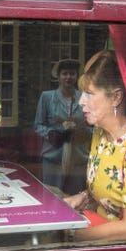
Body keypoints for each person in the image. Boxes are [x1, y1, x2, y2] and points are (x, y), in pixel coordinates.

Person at [64, 50, 126, 241]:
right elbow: (110, 195)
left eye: (89, 94)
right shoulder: (100, 133)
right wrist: (84, 198)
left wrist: (75, 237)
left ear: (116, 97)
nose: (81, 101)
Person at [34, 59, 90, 195]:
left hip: (78, 157)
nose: (68, 77)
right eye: (64, 74)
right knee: (52, 195)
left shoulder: (84, 98)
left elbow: (93, 127)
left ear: (77, 76)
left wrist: (81, 131)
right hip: (53, 157)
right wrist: (52, 134)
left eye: (72, 74)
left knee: (76, 197)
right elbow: (37, 125)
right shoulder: (47, 97)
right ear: (58, 77)